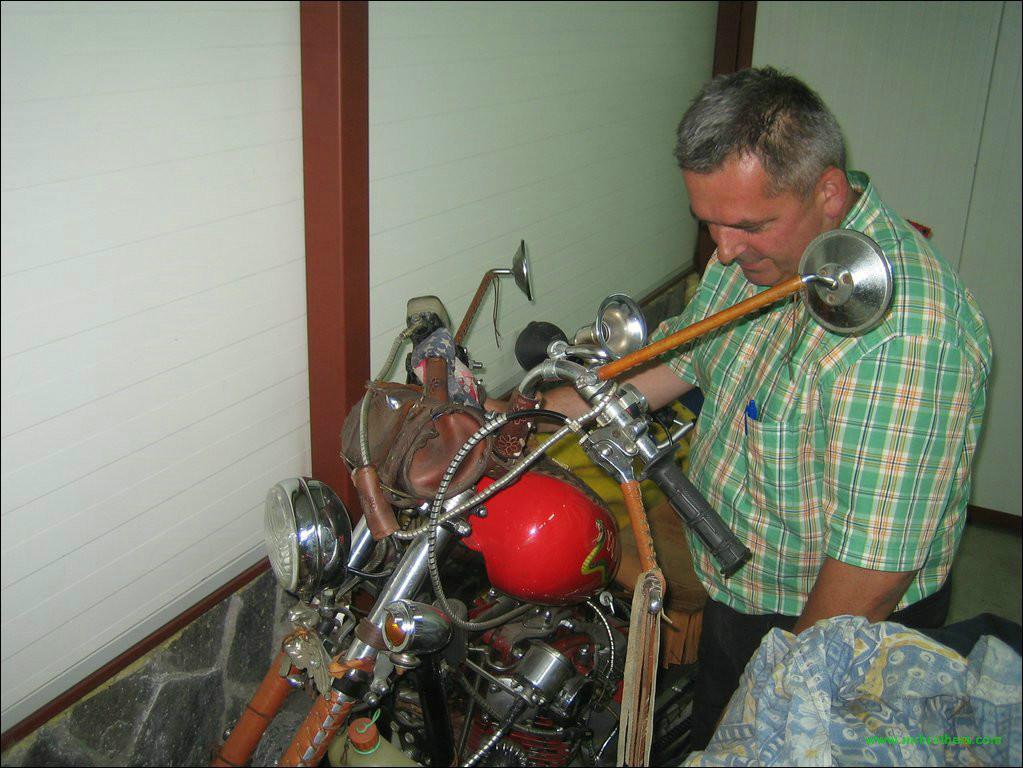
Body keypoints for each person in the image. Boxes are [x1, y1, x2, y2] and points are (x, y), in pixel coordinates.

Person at [534, 67, 992, 748]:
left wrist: (771, 715)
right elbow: (681, 359)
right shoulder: (755, 252)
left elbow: (869, 578)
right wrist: (536, 419)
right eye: (709, 223)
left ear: (828, 192)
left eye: (747, 225)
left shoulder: (907, 335)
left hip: (832, 620)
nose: (722, 250)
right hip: (742, 581)